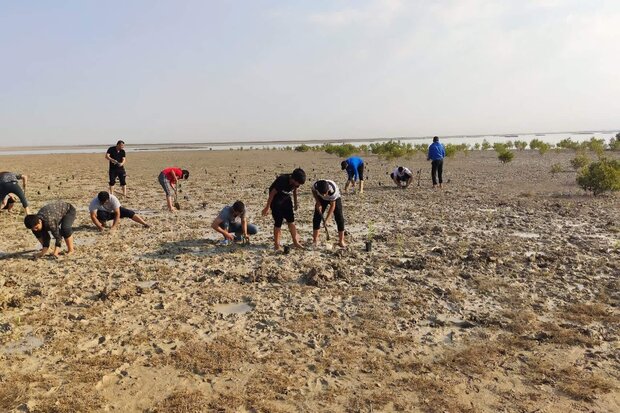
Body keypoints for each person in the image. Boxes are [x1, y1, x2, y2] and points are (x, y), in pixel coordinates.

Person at [262, 168, 306, 251]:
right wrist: (267, 207)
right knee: (278, 223)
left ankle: (295, 242)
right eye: (298, 183)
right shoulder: (282, 180)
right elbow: (272, 193)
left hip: (286, 199)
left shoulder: (296, 183)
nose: (298, 185)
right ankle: (277, 245)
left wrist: (296, 203)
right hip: (276, 200)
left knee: (291, 221)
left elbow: (295, 191)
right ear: (293, 179)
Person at [311, 179, 346, 248]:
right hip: (321, 199)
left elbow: (332, 206)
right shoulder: (315, 185)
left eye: (325, 193)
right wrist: (318, 202)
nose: (324, 195)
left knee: (339, 218)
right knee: (316, 218)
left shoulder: (333, 191)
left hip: (335, 199)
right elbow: (313, 191)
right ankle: (315, 240)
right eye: (322, 193)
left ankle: (341, 241)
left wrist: (327, 219)